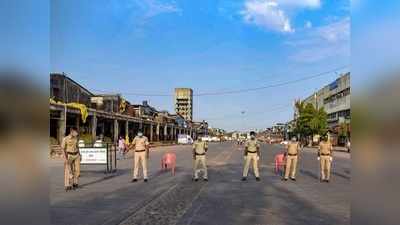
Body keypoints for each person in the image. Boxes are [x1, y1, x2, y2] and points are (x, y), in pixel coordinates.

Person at [61, 127, 80, 191]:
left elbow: (77, 146)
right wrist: (65, 158)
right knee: (68, 170)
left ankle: (75, 182)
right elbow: (63, 149)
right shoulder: (65, 139)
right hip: (69, 155)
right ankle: (67, 185)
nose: (77, 133)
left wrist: (80, 154)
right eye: (76, 132)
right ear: (72, 132)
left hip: (76, 155)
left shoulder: (76, 138)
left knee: (77, 170)